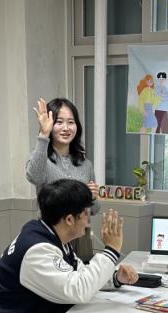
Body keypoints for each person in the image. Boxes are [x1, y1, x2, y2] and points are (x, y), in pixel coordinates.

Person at [0, 178, 138, 313]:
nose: (89, 220)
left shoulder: (48, 234)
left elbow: (78, 273)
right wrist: (111, 251)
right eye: (86, 214)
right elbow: (78, 290)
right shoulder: (37, 250)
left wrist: (114, 278)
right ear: (70, 220)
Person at [27, 97, 98, 264]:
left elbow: (93, 210)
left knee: (85, 277)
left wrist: (93, 198)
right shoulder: (41, 159)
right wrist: (43, 135)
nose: (66, 128)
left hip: (81, 236)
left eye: (71, 122)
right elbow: (34, 176)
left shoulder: (85, 164)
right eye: (59, 122)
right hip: (52, 236)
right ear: (50, 124)